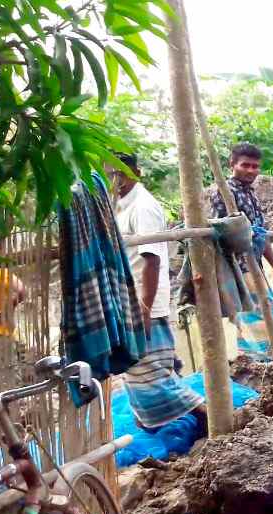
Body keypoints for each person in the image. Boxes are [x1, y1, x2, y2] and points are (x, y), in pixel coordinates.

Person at [111, 153, 206, 431]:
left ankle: (210, 418)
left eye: (120, 172)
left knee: (153, 378)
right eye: (111, 173)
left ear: (135, 172)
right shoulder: (120, 206)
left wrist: (145, 305)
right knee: (141, 375)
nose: (115, 179)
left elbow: (151, 258)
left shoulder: (143, 206)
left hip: (145, 301)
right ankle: (158, 425)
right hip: (133, 301)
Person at [209, 143, 273, 362]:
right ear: (232, 164)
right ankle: (263, 366)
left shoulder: (251, 194)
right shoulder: (224, 193)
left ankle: (266, 364)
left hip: (255, 266)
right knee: (256, 319)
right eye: (246, 165)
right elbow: (218, 236)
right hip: (238, 268)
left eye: (255, 167)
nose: (251, 171)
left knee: (264, 315)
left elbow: (260, 234)